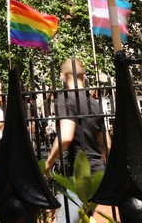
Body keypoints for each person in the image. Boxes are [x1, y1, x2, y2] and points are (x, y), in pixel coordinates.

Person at [45, 58, 106, 223]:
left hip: (79, 174)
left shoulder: (66, 98)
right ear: (84, 76)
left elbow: (65, 137)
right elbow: (105, 143)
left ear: (63, 76)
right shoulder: (94, 103)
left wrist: (48, 162)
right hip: (98, 172)